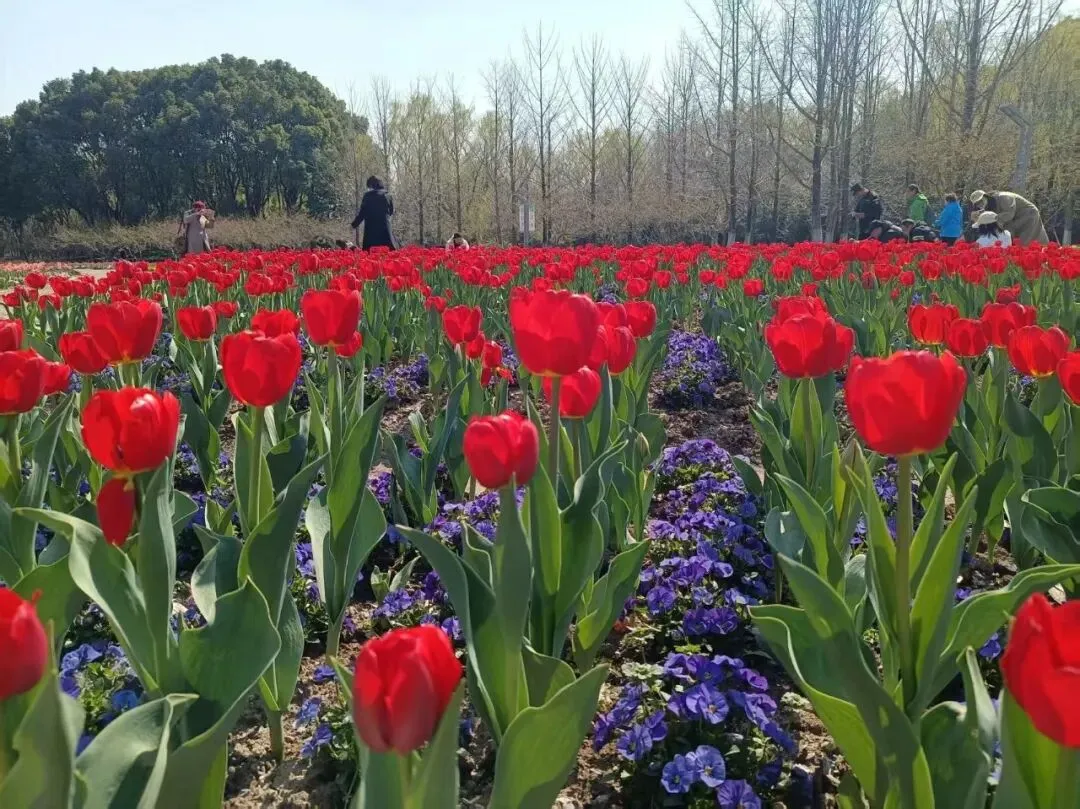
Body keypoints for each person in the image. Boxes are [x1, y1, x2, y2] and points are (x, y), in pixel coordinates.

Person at [969, 189, 1048, 244]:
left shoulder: (1004, 197)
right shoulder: (989, 204)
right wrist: (980, 216)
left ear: (986, 196)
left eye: (981, 201)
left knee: (1024, 242)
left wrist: (992, 218)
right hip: (1016, 218)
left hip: (1028, 215)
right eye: (977, 204)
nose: (980, 204)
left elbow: (1009, 214)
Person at [350, 176, 397, 251]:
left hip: (371, 232)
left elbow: (362, 213)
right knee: (390, 253)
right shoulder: (388, 195)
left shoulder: (367, 196)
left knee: (368, 253)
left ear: (371, 185)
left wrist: (354, 224)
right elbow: (391, 212)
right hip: (385, 231)